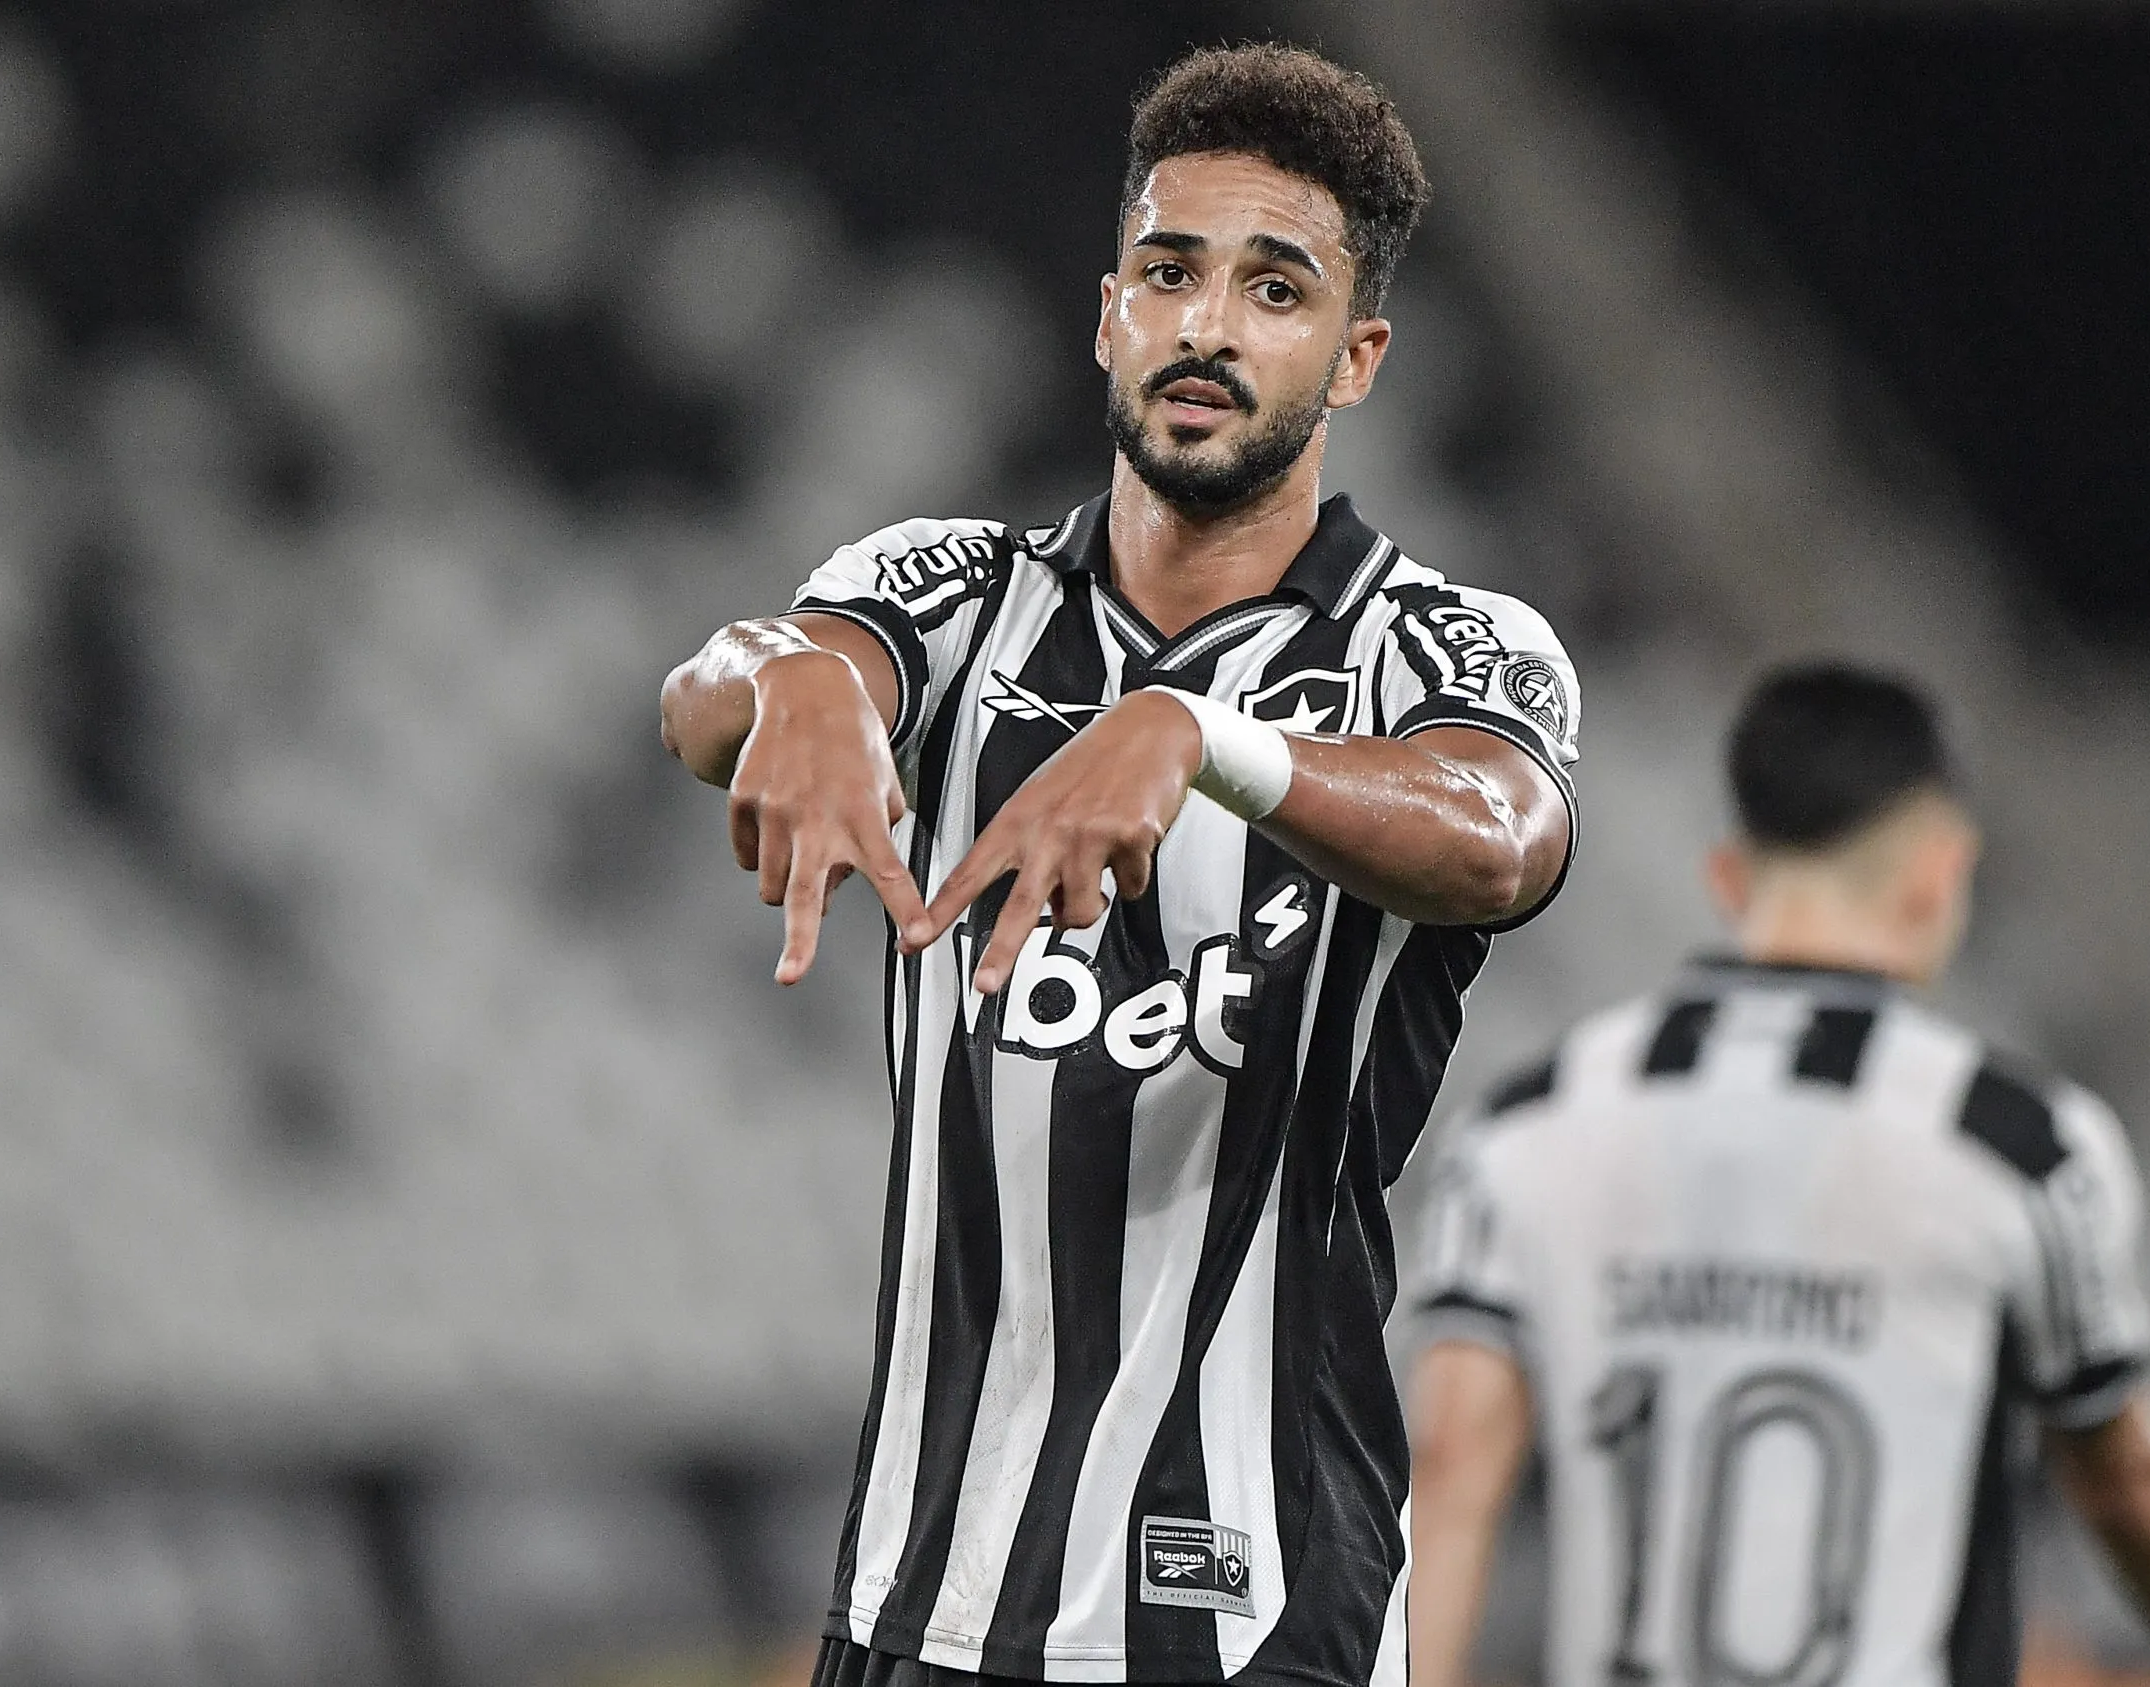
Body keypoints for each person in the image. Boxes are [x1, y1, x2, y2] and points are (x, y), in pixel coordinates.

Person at [658, 44, 1582, 1687]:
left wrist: (1203, 740)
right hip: (909, 1588)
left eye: (1276, 290)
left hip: (1239, 1609)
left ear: (1357, 356)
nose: (1209, 325)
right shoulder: (951, 596)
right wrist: (785, 679)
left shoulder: (1443, 647)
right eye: (1172, 271)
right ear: (1107, 315)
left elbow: (1499, 834)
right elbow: (749, 672)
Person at [1404, 664, 2150, 1687]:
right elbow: (2127, 1476)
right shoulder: (2014, 1145)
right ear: (1939, 869)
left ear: (1729, 877)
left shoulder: (1528, 1121)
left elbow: (1451, 1466)